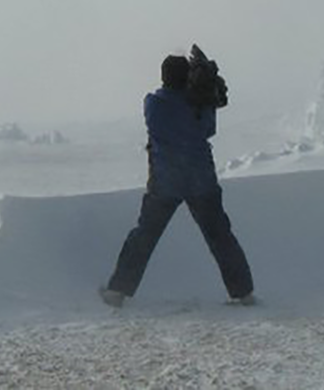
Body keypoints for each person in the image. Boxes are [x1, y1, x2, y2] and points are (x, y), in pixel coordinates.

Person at [100, 54, 255, 307]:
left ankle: (117, 291)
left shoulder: (153, 103)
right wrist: (206, 92)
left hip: (165, 182)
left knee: (144, 236)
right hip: (201, 179)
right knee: (220, 236)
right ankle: (243, 293)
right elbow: (208, 130)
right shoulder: (199, 104)